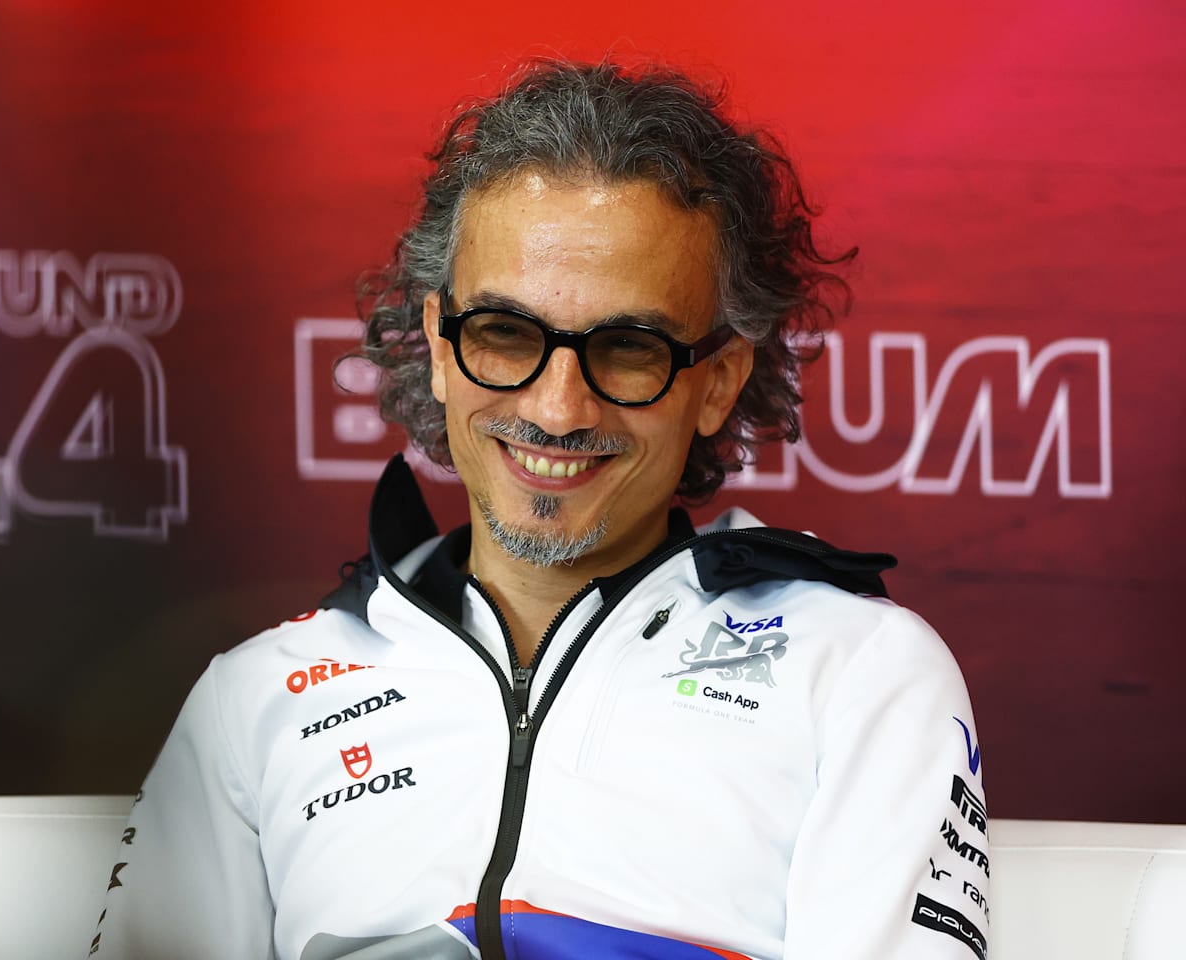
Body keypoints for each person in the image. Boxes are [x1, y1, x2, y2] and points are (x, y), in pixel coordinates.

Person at [89, 59, 990, 960]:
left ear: (717, 382)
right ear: (440, 348)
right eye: (506, 333)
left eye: (629, 348)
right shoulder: (253, 700)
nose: (558, 410)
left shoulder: (860, 674)